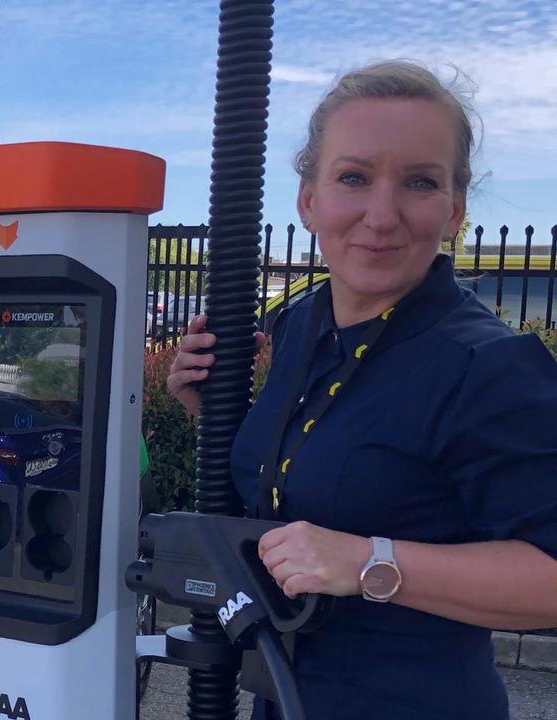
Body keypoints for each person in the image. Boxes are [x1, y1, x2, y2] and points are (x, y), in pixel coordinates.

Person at [168, 60, 557, 719]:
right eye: (354, 177)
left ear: (455, 209)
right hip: (284, 698)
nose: (382, 215)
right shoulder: (298, 325)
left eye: (419, 182)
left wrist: (370, 563)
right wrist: (208, 415)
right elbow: (306, 489)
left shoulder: (486, 364)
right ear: (308, 199)